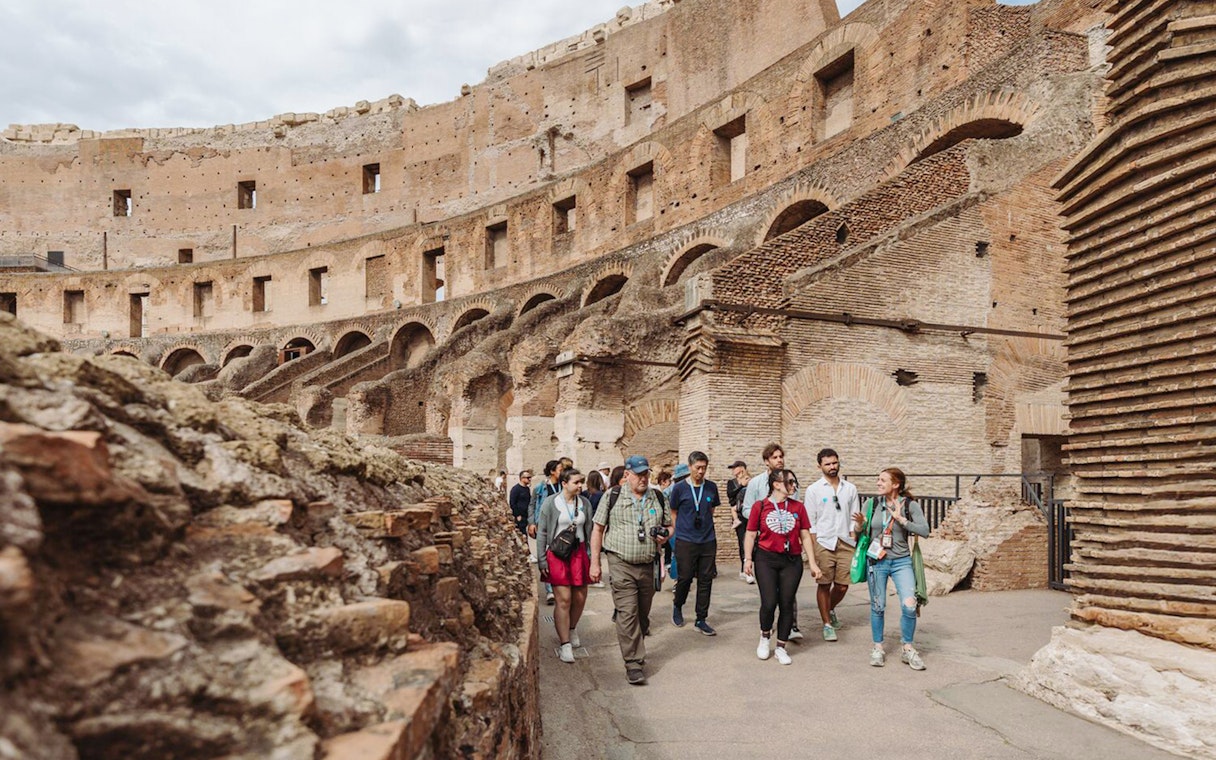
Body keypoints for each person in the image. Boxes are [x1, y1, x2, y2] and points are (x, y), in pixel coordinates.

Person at [589, 455, 671, 686]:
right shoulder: (612, 496)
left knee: (642, 614)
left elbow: (669, 525)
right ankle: (633, 663)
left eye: (646, 474)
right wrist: (595, 563)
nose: (644, 478)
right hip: (620, 562)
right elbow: (597, 529)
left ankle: (633, 637)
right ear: (627, 475)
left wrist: (666, 536)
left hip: (648, 564)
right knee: (628, 613)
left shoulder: (657, 496)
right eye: (639, 474)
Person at [744, 469, 821, 665]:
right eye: (790, 482)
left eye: (795, 482)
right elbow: (751, 534)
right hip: (765, 559)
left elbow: (805, 535)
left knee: (786, 603)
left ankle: (780, 647)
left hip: (791, 560)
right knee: (769, 602)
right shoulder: (760, 506)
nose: (794, 485)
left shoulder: (798, 507)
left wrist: (812, 563)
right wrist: (747, 559)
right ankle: (764, 636)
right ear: (777, 484)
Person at [857, 467, 930, 671]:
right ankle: (878, 647)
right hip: (876, 562)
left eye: (883, 480)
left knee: (909, 604)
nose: (878, 483)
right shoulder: (870, 504)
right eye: (877, 479)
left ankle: (907, 647)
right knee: (878, 606)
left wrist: (902, 520)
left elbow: (925, 531)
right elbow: (860, 533)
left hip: (901, 562)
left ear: (896, 484)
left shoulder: (909, 505)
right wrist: (859, 526)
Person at [741, 443, 804, 640]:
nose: (779, 460)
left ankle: (790, 626)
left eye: (781, 456)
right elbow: (747, 508)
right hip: (765, 540)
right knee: (769, 598)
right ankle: (766, 630)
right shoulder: (756, 483)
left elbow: (796, 508)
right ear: (767, 461)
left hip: (787, 544)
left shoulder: (790, 481)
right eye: (775, 457)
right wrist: (762, 517)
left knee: (787, 593)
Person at [536, 468, 594, 663]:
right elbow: (542, 532)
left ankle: (571, 628)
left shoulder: (584, 503)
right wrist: (541, 559)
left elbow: (590, 530)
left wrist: (592, 558)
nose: (580, 486)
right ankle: (564, 644)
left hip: (579, 553)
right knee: (564, 599)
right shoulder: (550, 503)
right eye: (576, 482)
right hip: (558, 554)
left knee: (580, 597)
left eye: (581, 482)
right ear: (564, 483)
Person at [805, 448, 862, 641]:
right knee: (824, 583)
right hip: (823, 541)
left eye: (835, 463)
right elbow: (810, 523)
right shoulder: (814, 490)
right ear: (820, 466)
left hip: (846, 541)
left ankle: (829, 609)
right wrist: (812, 552)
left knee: (843, 586)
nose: (832, 467)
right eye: (828, 464)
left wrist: (856, 533)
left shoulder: (850, 488)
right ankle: (827, 624)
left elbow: (855, 517)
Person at [669, 451, 720, 635]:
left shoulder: (711, 487)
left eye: (704, 468)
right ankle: (678, 605)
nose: (701, 471)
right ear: (690, 467)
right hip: (686, 540)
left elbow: (711, 509)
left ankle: (701, 618)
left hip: (707, 540)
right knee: (685, 577)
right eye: (698, 468)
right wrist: (679, 531)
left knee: (706, 579)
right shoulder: (680, 488)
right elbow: (673, 512)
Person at [529, 459, 564, 604]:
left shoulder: (564, 487)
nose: (563, 471)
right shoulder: (540, 488)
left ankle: (560, 586)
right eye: (560, 469)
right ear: (552, 471)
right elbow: (532, 505)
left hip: (561, 525)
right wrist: (531, 522)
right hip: (544, 524)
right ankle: (550, 590)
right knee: (546, 556)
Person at [726, 460, 753, 583]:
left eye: (735, 468)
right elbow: (730, 494)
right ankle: (746, 571)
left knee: (753, 542)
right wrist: (741, 485)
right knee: (742, 542)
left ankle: (747, 569)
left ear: (742, 468)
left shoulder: (751, 480)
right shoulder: (731, 483)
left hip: (750, 514)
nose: (733, 471)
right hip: (738, 514)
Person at [508, 469, 533, 538]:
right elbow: (512, 503)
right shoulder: (516, 489)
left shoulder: (527, 489)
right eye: (528, 478)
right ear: (522, 478)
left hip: (526, 516)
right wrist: (517, 514)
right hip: (519, 517)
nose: (529, 479)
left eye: (530, 477)